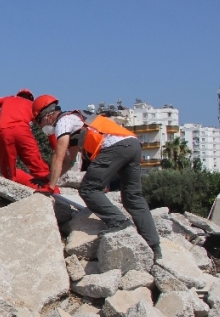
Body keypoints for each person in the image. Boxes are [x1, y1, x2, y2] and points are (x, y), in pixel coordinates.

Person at [32, 95, 161, 259]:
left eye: (39, 121)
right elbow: (68, 161)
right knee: (133, 197)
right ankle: (154, 248)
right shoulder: (76, 119)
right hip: (132, 144)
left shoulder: (63, 122)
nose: (40, 126)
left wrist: (50, 187)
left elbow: (59, 155)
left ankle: (119, 223)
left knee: (89, 189)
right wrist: (50, 178)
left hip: (115, 146)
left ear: (47, 115)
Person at [0, 89, 50, 189]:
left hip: (3, 132)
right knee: (38, 166)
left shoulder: (8, 99)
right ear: (31, 99)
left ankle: (10, 190)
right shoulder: (31, 105)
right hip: (23, 132)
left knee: (8, 172)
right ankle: (53, 190)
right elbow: (44, 124)